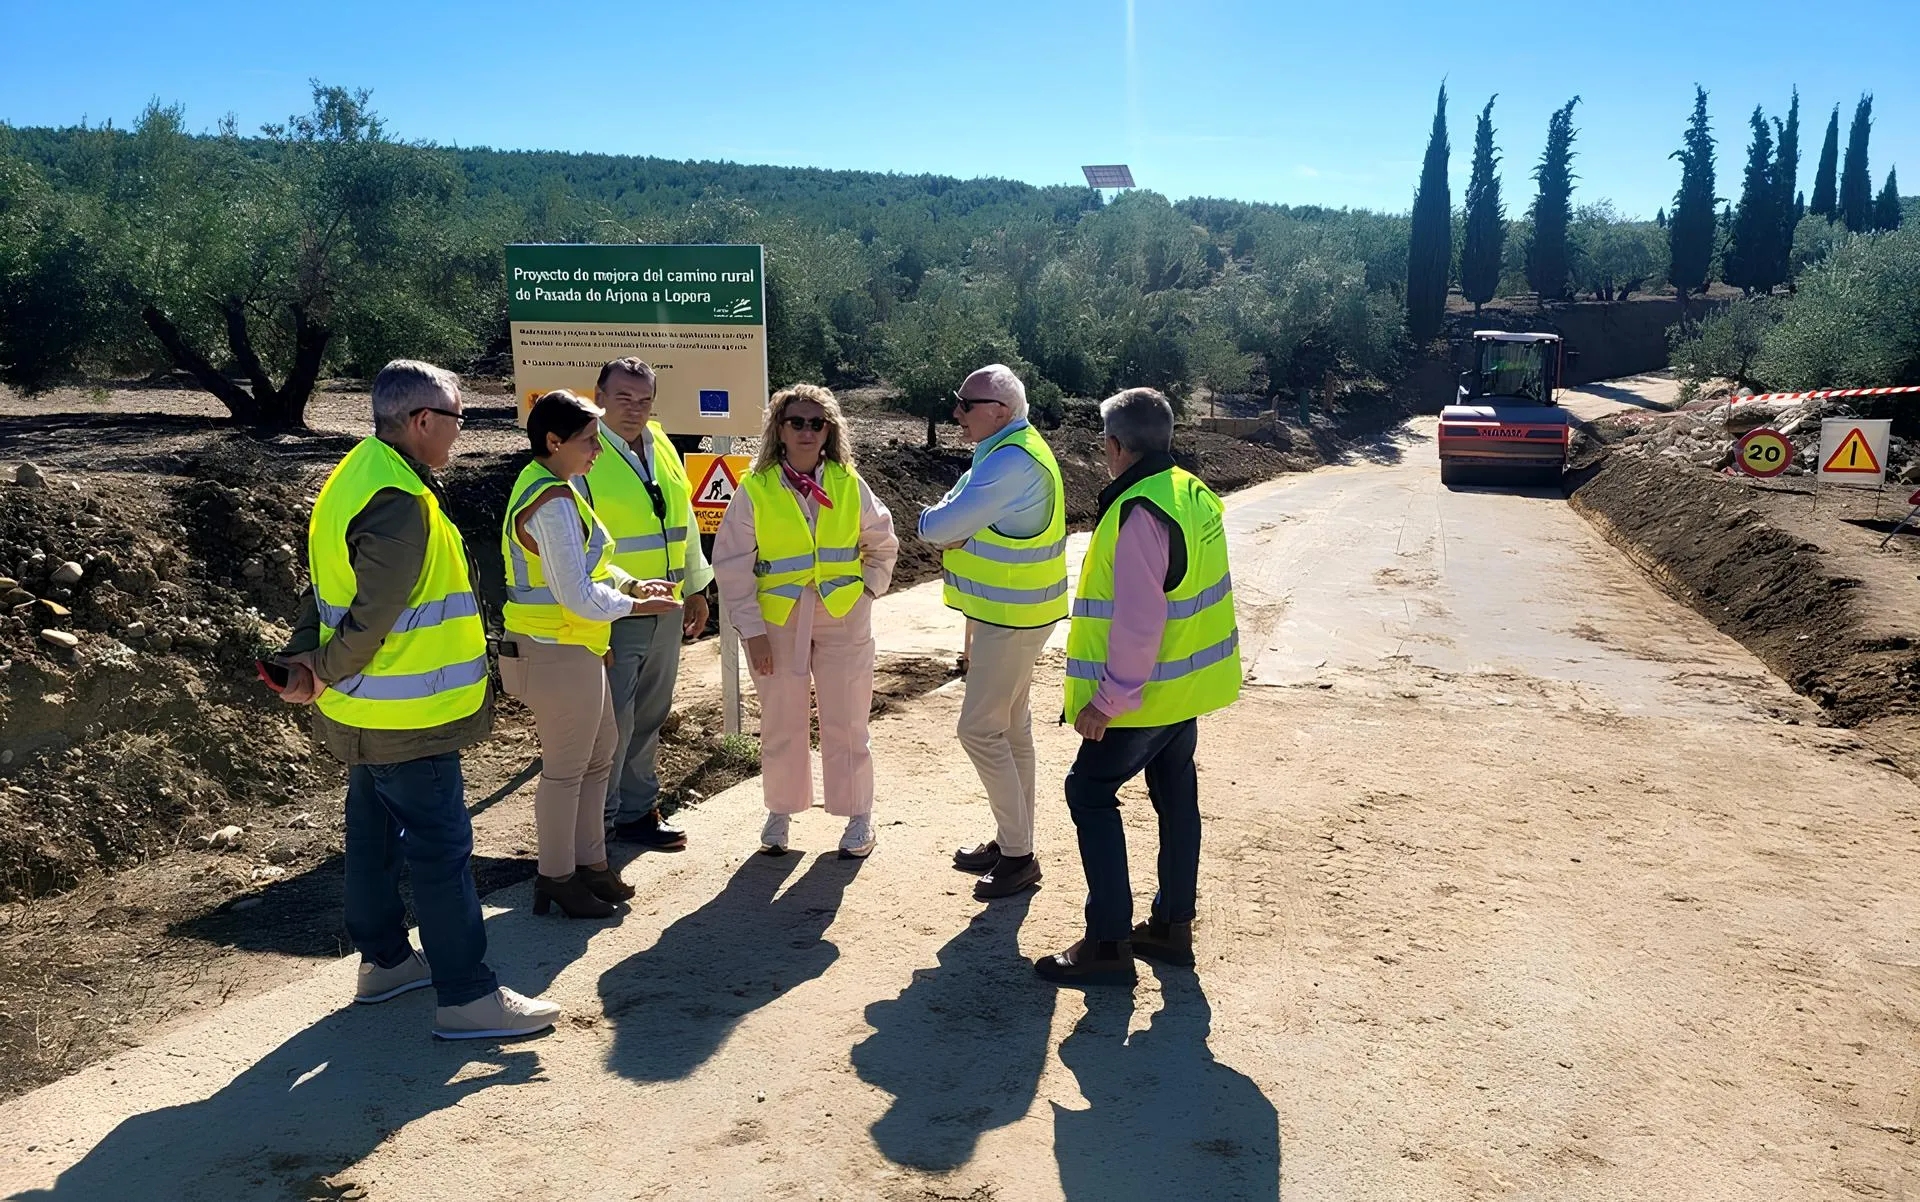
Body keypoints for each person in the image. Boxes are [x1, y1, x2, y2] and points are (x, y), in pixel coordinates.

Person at [278, 359, 561, 1040]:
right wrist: (319, 669)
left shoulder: (360, 474)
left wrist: (314, 665)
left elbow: (329, 592)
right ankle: (466, 996)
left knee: (371, 840)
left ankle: (385, 964)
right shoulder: (398, 501)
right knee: (441, 850)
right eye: (459, 418)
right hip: (409, 715)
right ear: (423, 420)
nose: (461, 433)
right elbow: (372, 620)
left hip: (365, 713)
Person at [1034, 388, 1242, 986]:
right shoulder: (1190, 492)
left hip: (1144, 695)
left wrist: (1109, 698)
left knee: (1089, 791)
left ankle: (1107, 943)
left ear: (1115, 446)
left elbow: (1138, 618)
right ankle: (1172, 927)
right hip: (1187, 690)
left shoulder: (1139, 509)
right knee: (1176, 796)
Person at [497, 390, 682, 919]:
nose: (597, 451)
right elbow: (574, 593)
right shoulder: (551, 501)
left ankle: (590, 867)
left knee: (599, 757)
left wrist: (632, 584)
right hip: (554, 647)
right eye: (588, 441)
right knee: (566, 770)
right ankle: (557, 877)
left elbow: (590, 568)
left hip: (573, 644)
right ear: (553, 442)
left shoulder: (558, 487)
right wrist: (631, 604)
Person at [713, 384, 899, 857]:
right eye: (796, 421)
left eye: (817, 423)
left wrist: (868, 593)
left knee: (848, 719)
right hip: (778, 622)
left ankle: (858, 816)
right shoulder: (756, 488)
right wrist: (750, 631)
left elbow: (881, 541)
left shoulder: (847, 482)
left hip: (842, 616)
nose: (807, 431)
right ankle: (781, 809)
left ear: (829, 430)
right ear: (778, 428)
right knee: (781, 720)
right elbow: (732, 564)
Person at [917, 364, 1067, 901]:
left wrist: (941, 526)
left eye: (965, 403)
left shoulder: (1008, 462)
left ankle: (1019, 855)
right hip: (1019, 614)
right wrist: (950, 523)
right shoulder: (1011, 448)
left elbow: (938, 527)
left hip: (1012, 618)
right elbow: (952, 519)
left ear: (999, 411)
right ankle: (1013, 842)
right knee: (1013, 729)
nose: (955, 412)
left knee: (979, 731)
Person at [583, 357, 712, 850]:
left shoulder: (662, 444)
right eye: (623, 398)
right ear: (599, 395)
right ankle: (598, 823)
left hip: (667, 607)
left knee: (650, 713)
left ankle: (637, 814)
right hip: (615, 611)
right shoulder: (585, 451)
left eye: (643, 399)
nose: (634, 409)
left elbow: (685, 524)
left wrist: (697, 587)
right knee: (611, 721)